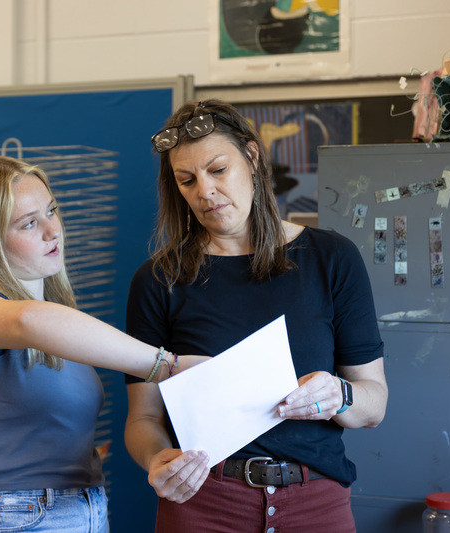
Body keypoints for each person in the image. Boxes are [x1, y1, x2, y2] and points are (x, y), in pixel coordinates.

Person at [123, 99, 388, 533]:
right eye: (186, 180)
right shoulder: (158, 280)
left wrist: (340, 394)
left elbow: (373, 404)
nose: (204, 192)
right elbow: (143, 418)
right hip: (203, 501)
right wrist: (157, 458)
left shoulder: (331, 258)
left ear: (252, 156)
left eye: (218, 170)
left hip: (315, 500)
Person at [0, 155, 206, 533]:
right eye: (29, 223)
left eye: (52, 211)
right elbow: (27, 320)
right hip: (18, 515)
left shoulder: (59, 319)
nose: (52, 231)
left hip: (83, 508)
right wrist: (167, 365)